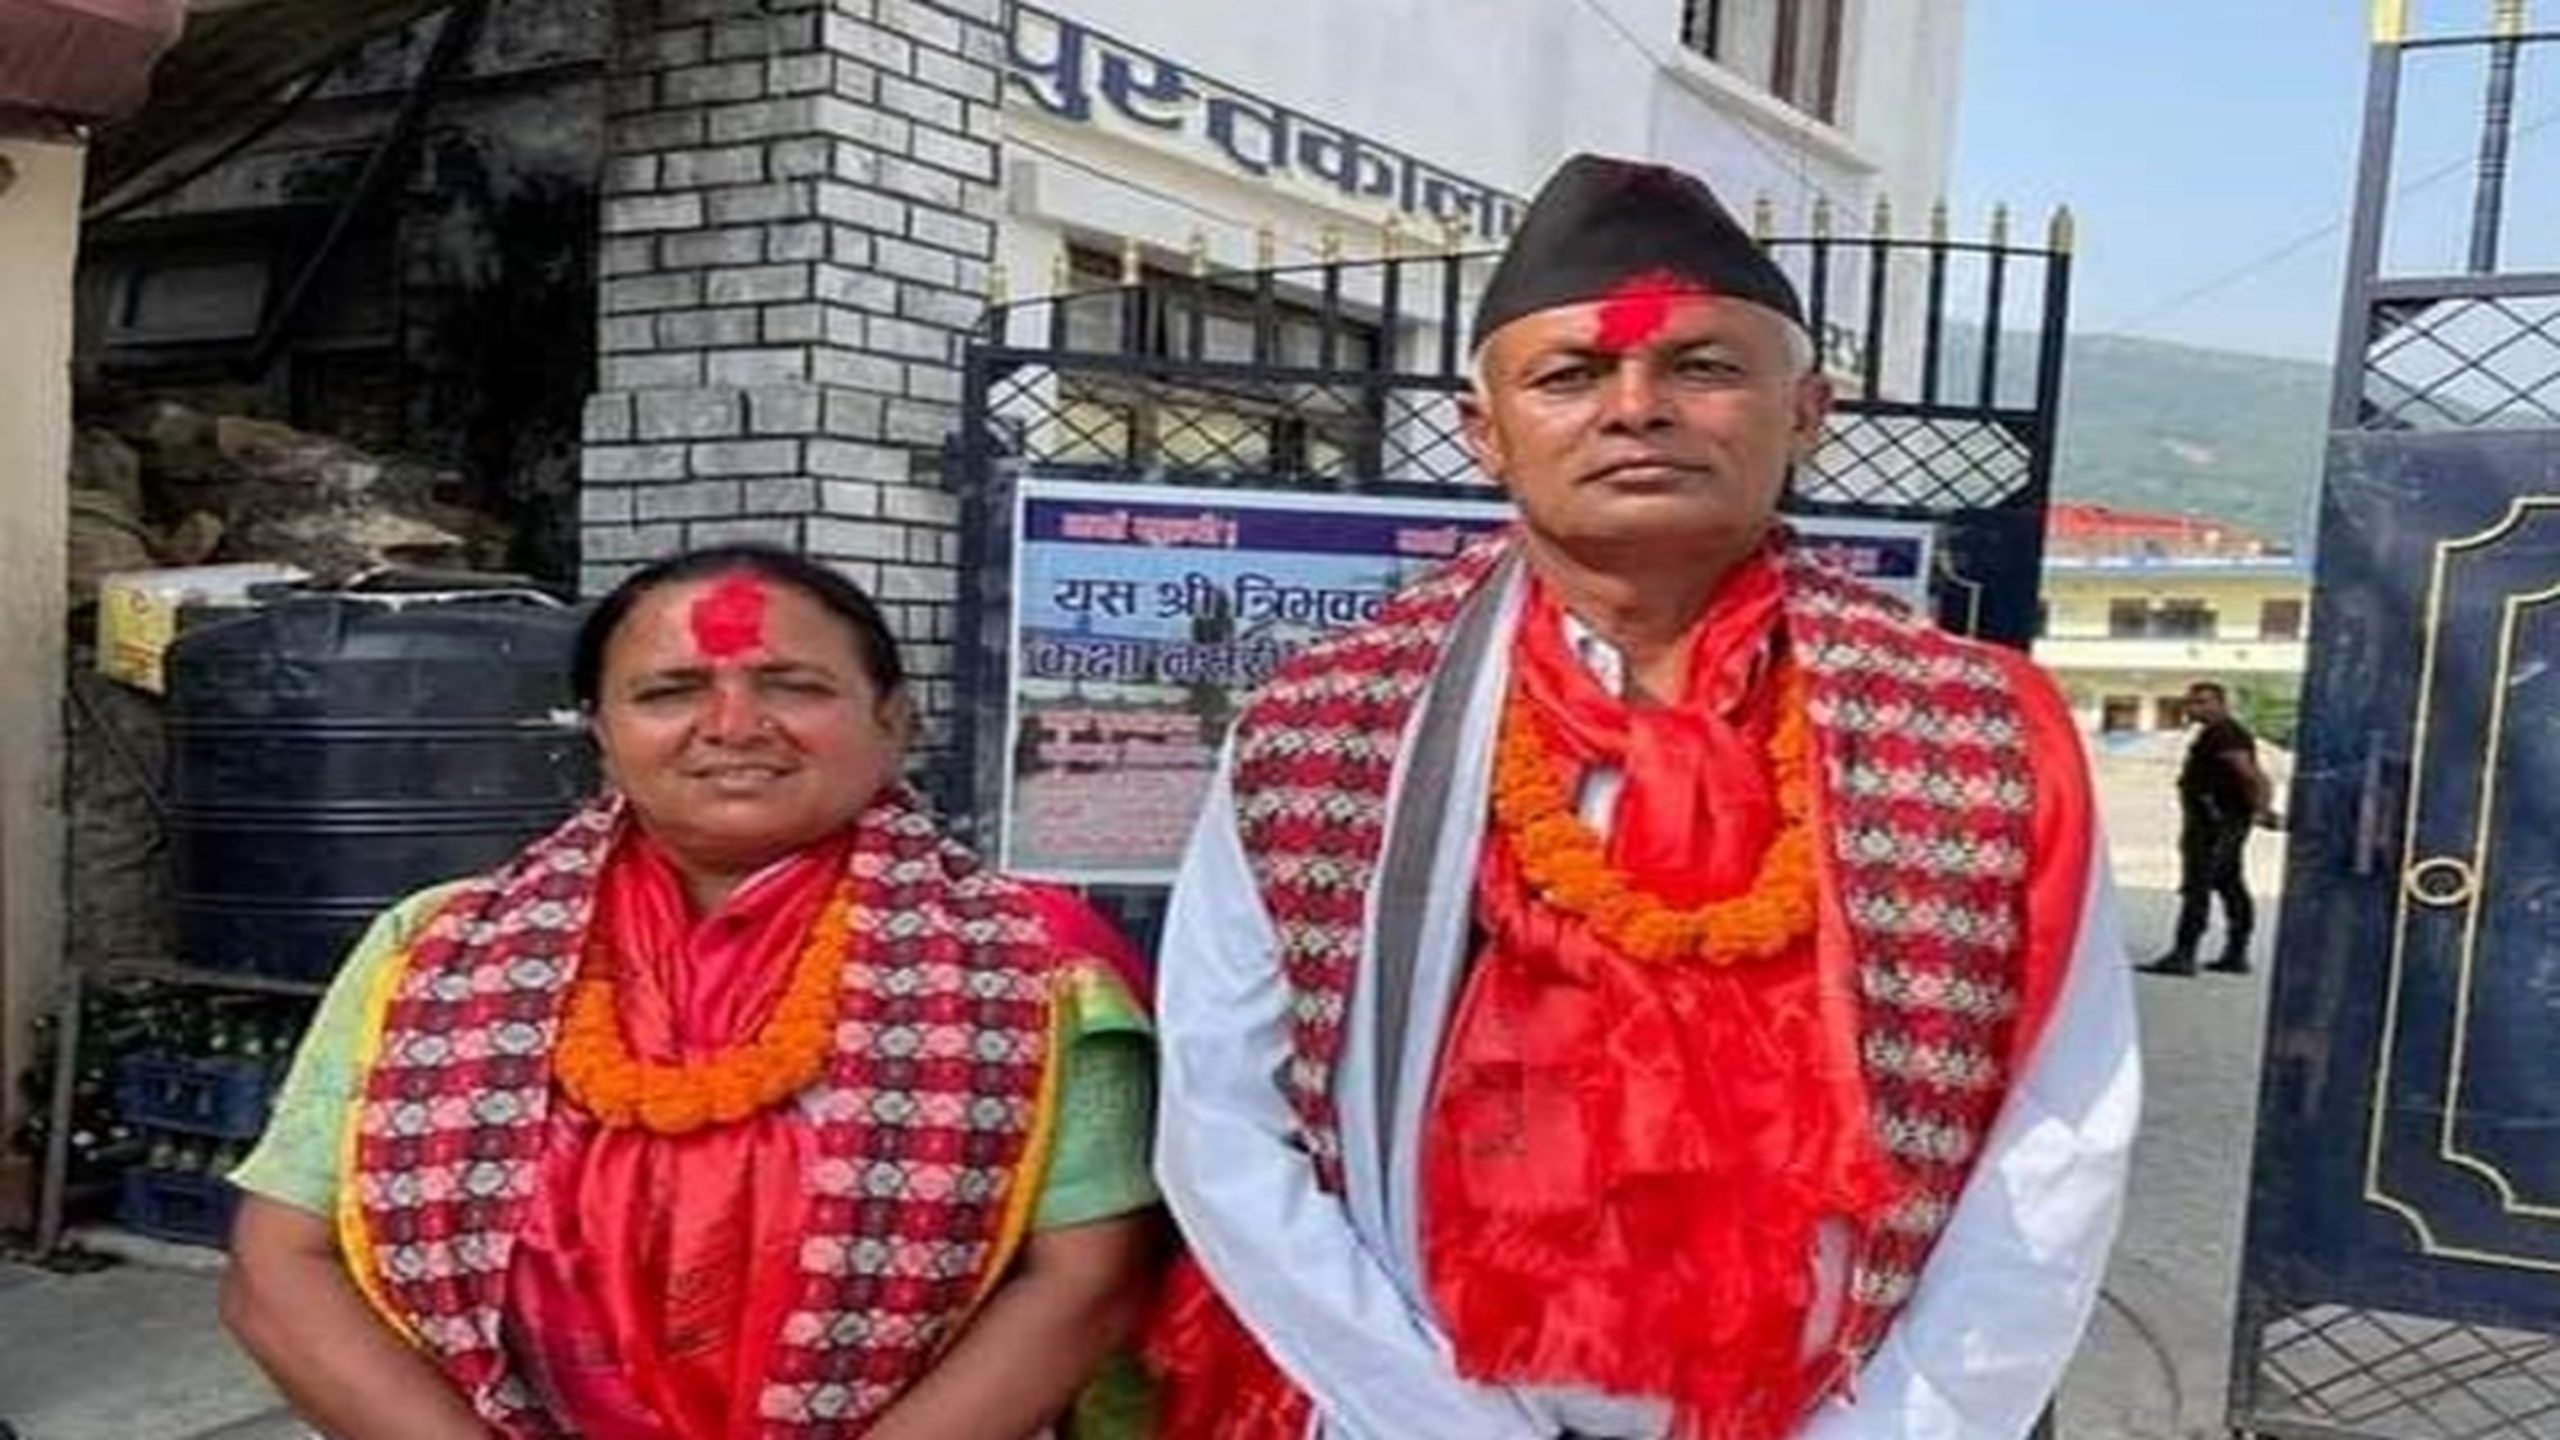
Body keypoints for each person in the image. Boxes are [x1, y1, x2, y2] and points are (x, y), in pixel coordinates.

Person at [1144, 154, 2142, 1440]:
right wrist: (1438, 1423)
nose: (1635, 410)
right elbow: (1223, 1111)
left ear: (1808, 411)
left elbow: (2059, 1127)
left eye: (1702, 367)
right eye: (1570, 375)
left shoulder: (1976, 731)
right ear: (1484, 430)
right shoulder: (1325, 724)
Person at [220, 545, 1162, 1440]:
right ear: (601, 731)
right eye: (669, 691)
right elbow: (281, 1264)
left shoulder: (1031, 964)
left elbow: (1088, 1282)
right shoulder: (434, 947)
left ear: (894, 721)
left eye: (794, 686)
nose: (734, 726)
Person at [2141, 680, 2278, 977]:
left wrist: (2263, 809)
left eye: (2202, 702)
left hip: (2216, 822)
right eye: (2191, 702)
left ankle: (2185, 953)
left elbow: (2252, 775)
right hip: (2215, 819)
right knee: (2229, 883)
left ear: (2221, 704)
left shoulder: (2225, 733)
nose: (2194, 708)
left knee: (2199, 885)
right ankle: (2235, 953)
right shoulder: (2217, 733)